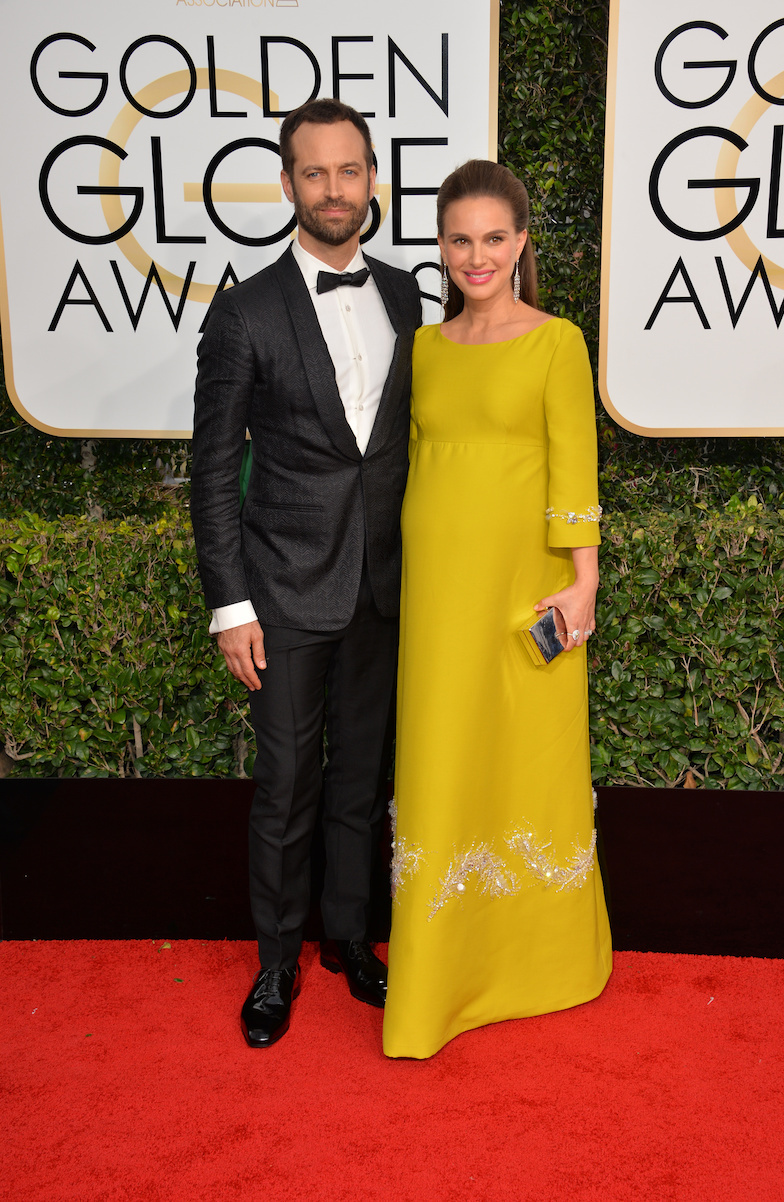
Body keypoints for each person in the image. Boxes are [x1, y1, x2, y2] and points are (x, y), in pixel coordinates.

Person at [190, 99, 421, 1049]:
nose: (335, 190)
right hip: (282, 592)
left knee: (363, 782)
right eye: (315, 174)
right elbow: (212, 469)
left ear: (374, 181)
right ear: (288, 185)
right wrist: (229, 604)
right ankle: (277, 963)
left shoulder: (411, 296)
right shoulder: (244, 311)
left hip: (386, 589)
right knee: (286, 786)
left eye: (350, 171)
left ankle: (351, 942)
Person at [383, 159, 612, 1059]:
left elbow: (574, 466)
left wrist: (582, 579)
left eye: (492, 238)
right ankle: (439, 971)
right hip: (435, 591)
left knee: (528, 754)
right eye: (458, 239)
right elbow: (410, 463)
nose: (476, 256)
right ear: (441, 249)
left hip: (527, 589)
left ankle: (541, 960)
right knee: (440, 750)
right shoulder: (427, 349)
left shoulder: (557, 340)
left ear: (520, 243)